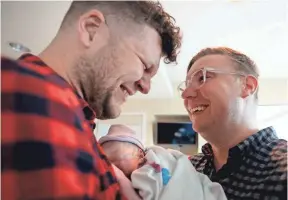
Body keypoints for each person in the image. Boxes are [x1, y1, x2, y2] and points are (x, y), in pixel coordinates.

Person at [1, 1, 182, 200]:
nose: (145, 87)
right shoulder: (21, 90)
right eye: (145, 66)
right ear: (91, 30)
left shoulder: (79, 128)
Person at [178, 47, 287, 200]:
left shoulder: (283, 170)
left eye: (203, 78)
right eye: (185, 86)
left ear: (247, 86)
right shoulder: (185, 169)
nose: (185, 94)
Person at [99, 124, 228, 200]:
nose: (114, 168)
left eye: (118, 160)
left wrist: (122, 180)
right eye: (110, 163)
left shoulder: (147, 168)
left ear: (140, 154)